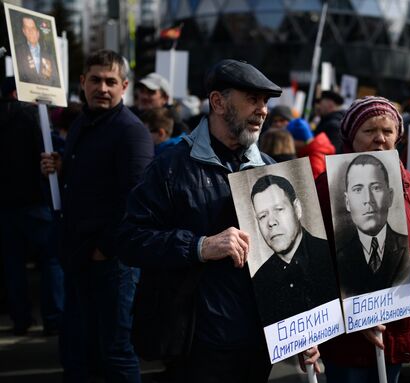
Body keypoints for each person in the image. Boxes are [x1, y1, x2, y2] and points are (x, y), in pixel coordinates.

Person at [116, 59, 320, 383]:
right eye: (252, 99)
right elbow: (129, 238)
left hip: (259, 346)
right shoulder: (171, 167)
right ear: (218, 102)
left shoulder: (270, 169)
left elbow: (294, 263)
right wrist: (200, 246)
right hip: (199, 344)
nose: (263, 110)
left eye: (266, 102)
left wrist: (305, 327)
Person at [315, 96, 410, 383]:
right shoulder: (326, 187)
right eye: (369, 131)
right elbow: (313, 262)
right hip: (349, 339)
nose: (379, 139)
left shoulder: (408, 181)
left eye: (387, 131)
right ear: (351, 135)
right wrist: (349, 310)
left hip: (397, 330)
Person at [40, 49, 154, 382]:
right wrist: (59, 170)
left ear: (124, 86)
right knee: (79, 348)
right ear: (82, 82)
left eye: (110, 82)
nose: (102, 88)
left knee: (116, 353)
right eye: (95, 80)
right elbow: (86, 180)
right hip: (78, 255)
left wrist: (105, 247)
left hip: (111, 263)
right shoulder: (82, 123)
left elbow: (135, 200)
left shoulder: (131, 132)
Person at [0, 76, 64, 336]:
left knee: (13, 264)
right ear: (18, 92)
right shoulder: (32, 115)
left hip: (5, 204)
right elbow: (45, 151)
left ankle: (20, 319)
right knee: (52, 260)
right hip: (36, 201)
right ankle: (54, 318)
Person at [251, 175, 338, 326]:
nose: (271, 222)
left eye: (278, 209)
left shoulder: (332, 255)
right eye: (262, 216)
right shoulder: (259, 282)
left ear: (297, 209)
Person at [336, 154, 410, 298]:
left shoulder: (407, 246)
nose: (368, 200)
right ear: (347, 202)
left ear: (390, 196)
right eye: (358, 189)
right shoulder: (339, 256)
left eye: (376, 188)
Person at [132, 72, 188, 137]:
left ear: (165, 98)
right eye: (141, 91)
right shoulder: (128, 115)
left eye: (151, 91)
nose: (144, 96)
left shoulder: (178, 128)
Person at [15, 16, 60, 87]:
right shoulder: (17, 51)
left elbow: (56, 81)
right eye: (27, 28)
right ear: (23, 31)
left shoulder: (49, 53)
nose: (30, 32)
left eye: (32, 28)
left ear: (38, 32)